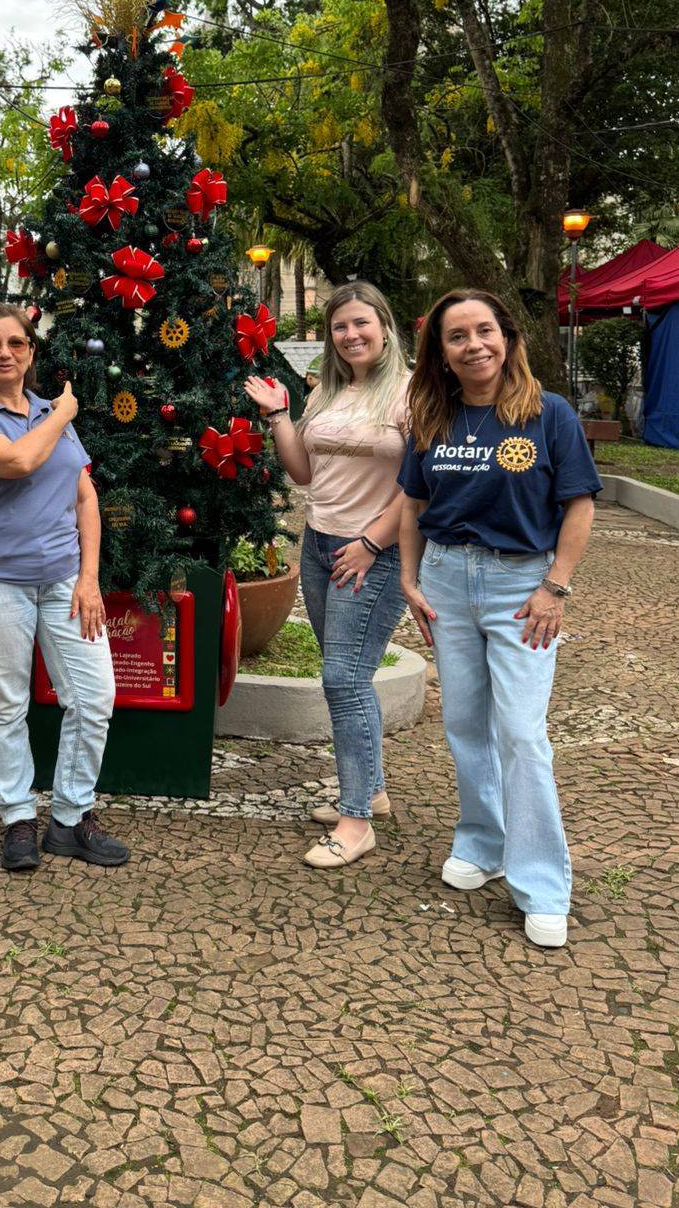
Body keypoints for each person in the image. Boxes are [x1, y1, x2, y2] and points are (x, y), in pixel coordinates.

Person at [398, 289, 600, 949]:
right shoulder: (432, 414)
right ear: (442, 354)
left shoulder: (549, 415)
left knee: (520, 732)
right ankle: (482, 844)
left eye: (484, 331)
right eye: (458, 337)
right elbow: (412, 503)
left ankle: (542, 883)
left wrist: (555, 588)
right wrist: (408, 577)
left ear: (506, 338)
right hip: (447, 582)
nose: (474, 345)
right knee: (463, 724)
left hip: (522, 585)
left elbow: (578, 506)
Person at [0, 303, 128, 873]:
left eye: (17, 344)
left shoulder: (51, 413)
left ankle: (70, 819)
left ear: (30, 352)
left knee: (94, 698)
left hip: (64, 579)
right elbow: (19, 461)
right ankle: (18, 817)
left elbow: (84, 497)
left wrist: (90, 577)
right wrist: (65, 410)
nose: (5, 353)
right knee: (5, 705)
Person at [245, 281, 410, 869]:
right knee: (348, 675)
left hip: (374, 551)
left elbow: (423, 487)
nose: (351, 335)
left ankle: (356, 819)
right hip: (321, 546)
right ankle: (372, 790)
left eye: (361, 323)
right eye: (340, 327)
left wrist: (370, 542)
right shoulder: (329, 393)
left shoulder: (410, 393)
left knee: (343, 678)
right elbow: (303, 474)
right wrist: (280, 415)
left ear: (384, 327)